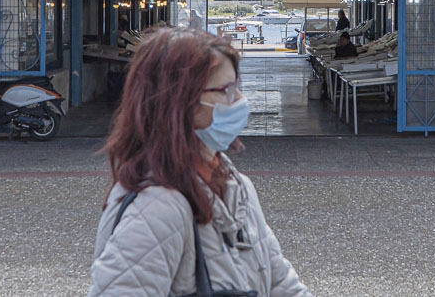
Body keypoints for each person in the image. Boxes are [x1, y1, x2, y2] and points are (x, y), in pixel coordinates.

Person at [87, 27, 311, 297]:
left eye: (237, 87)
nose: (241, 101)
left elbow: (280, 281)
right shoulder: (156, 208)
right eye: (226, 90)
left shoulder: (237, 187)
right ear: (180, 101)